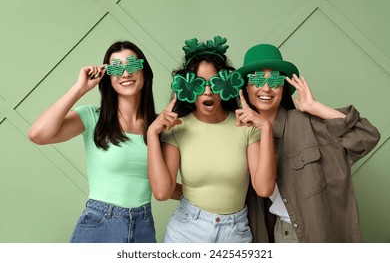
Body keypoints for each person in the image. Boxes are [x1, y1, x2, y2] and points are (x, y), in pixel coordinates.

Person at [236, 43, 381, 243]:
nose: (266, 88)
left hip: (318, 234)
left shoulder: (307, 123)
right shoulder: (241, 135)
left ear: (284, 87)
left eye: (276, 80)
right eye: (257, 80)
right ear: (246, 87)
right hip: (278, 234)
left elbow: (366, 137)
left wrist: (316, 107)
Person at [147, 36, 276, 243]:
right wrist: (152, 134)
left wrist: (266, 128)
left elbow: (264, 188)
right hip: (186, 232)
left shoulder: (246, 128)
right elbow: (162, 192)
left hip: (235, 233)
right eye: (199, 84)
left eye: (214, 83)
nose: (208, 91)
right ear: (187, 88)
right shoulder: (177, 129)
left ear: (226, 84)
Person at [28, 41, 157, 243]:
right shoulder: (92, 117)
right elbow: (38, 134)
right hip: (100, 224)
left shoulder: (158, 126)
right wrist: (79, 88)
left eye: (132, 65)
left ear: (144, 71)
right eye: (116, 68)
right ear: (108, 77)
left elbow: (164, 185)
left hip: (143, 225)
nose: (125, 73)